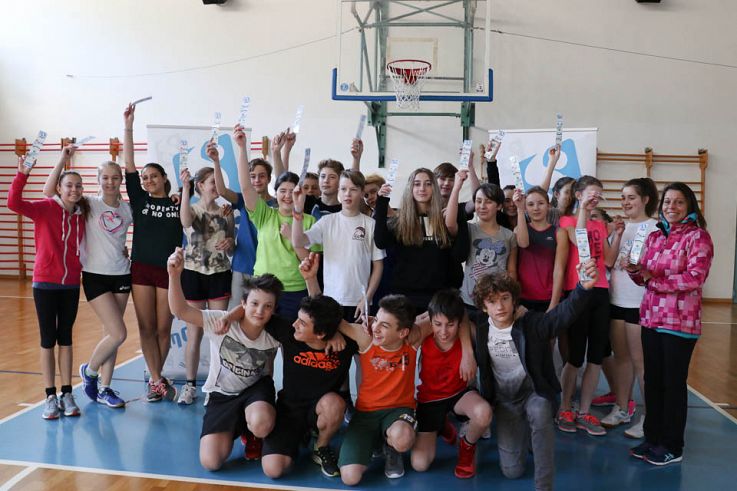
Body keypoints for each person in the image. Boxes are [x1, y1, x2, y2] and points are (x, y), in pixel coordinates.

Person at [471, 260, 600, 491]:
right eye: (492, 301)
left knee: (539, 411)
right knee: (512, 471)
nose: (500, 306)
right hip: (506, 401)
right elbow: (450, 316)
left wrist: (582, 288)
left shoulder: (531, 323)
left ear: (514, 300)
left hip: (534, 393)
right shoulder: (479, 328)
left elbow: (560, 316)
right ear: (484, 307)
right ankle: (526, 434)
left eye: (505, 298)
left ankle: (544, 485)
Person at [167, 247, 281, 470]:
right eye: (255, 304)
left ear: (274, 310)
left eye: (267, 306)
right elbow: (181, 311)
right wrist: (174, 275)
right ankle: (238, 425)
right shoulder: (220, 321)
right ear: (243, 303)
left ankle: (254, 431)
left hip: (255, 390)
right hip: (222, 395)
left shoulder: (275, 332)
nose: (260, 311)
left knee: (261, 423)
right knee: (211, 462)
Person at [627, 182, 713, 466]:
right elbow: (644, 276)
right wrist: (635, 271)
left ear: (689, 206)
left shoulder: (698, 237)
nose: (671, 207)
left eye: (678, 202)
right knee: (653, 382)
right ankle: (653, 438)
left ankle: (673, 446)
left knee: (673, 385)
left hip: (680, 323)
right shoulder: (655, 235)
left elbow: (695, 277)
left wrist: (653, 281)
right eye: (667, 202)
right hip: (651, 318)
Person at [43, 159, 132, 409]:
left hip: (122, 274)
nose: (110, 182)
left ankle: (105, 388)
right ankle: (90, 371)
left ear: (121, 180)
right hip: (95, 276)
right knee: (119, 332)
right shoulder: (88, 204)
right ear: (98, 179)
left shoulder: (128, 209)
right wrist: (62, 158)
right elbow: (49, 193)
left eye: (115, 178)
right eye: (105, 177)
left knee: (111, 335)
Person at [9, 144, 88, 419]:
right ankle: (50, 396)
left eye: (78, 186)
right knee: (47, 339)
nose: (74, 190)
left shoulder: (83, 215)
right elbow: (13, 203)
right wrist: (22, 174)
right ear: (59, 188)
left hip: (71, 284)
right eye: (69, 185)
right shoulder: (45, 208)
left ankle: (67, 392)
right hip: (45, 283)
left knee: (65, 338)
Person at [123, 103, 182, 402]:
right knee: (146, 328)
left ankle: (156, 377)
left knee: (163, 329)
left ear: (164, 178)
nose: (147, 180)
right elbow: (129, 164)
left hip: (167, 271)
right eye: (145, 177)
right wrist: (128, 126)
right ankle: (156, 380)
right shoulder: (139, 198)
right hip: (141, 269)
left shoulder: (177, 202)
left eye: (153, 176)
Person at [557, 175, 621, 436]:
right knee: (575, 356)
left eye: (598, 193)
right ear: (579, 195)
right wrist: (583, 209)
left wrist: (617, 235)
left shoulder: (600, 225)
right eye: (591, 193)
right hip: (578, 291)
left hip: (601, 293)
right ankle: (565, 408)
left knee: (596, 356)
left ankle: (584, 411)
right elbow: (580, 244)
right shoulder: (567, 221)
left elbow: (608, 260)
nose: (596, 198)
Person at [234, 124, 317, 321]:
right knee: (260, 338)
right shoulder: (265, 214)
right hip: (262, 288)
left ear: (300, 193)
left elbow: (310, 261)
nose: (288, 196)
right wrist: (242, 147)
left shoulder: (309, 221)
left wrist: (293, 238)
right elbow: (246, 187)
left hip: (294, 290)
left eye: (292, 191)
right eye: (282, 191)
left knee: (290, 337)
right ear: (275, 193)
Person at [597, 178, 659, 437]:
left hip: (640, 303)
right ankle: (622, 408)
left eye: (631, 197)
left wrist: (641, 267)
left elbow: (659, 267)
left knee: (641, 362)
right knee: (621, 358)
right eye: (623, 197)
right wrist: (615, 234)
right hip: (616, 300)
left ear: (645, 199)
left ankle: (651, 418)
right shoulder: (618, 227)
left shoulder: (656, 228)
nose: (625, 202)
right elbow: (609, 261)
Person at [411, 289, 492, 479]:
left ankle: (467, 446)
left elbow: (467, 317)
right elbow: (403, 332)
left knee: (483, 413)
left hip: (459, 395)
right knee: (419, 464)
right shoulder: (424, 331)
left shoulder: (467, 330)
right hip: (429, 400)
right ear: (430, 321)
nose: (444, 332)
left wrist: (469, 353)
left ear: (458, 322)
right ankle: (442, 425)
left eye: (450, 325)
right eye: (438, 324)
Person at [177, 158, 235, 405]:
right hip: (194, 275)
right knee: (194, 334)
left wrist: (230, 242)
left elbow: (231, 245)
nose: (216, 187)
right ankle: (190, 385)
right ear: (200, 185)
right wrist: (185, 188)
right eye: (212, 182)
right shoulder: (192, 210)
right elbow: (184, 222)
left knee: (218, 333)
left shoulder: (226, 212)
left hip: (219, 275)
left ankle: (216, 385)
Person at [292, 170, 385, 321]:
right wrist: (297, 211)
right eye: (343, 189)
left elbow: (378, 265)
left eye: (353, 189)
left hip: (359, 302)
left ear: (362, 193)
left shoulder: (370, 224)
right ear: (338, 192)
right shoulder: (327, 222)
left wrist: (367, 298)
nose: (348, 194)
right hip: (331, 300)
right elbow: (298, 241)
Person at [374, 167, 469, 312]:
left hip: (440, 299)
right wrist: (381, 201)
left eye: (428, 184)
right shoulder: (400, 221)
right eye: (417, 184)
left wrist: (459, 220)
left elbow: (460, 255)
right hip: (404, 298)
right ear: (410, 188)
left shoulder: (445, 218)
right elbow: (381, 242)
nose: (422, 188)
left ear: (434, 188)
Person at [450, 178, 517, 309]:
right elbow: (450, 224)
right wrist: (457, 187)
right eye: (478, 201)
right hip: (469, 300)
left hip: (497, 302)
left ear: (499, 206)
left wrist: (512, 299)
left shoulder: (509, 235)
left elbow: (511, 271)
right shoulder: (468, 229)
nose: (482, 206)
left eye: (488, 202)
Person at [209, 136, 259, 310]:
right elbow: (222, 190)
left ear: (269, 179)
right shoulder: (244, 200)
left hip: (265, 268)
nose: (257, 180)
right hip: (241, 265)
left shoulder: (276, 204)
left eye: (262, 176)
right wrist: (216, 161)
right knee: (234, 313)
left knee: (259, 315)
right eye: (252, 176)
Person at [512, 186, 568, 313]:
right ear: (526, 207)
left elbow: (559, 270)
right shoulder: (518, 230)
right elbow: (523, 243)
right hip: (524, 298)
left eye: (541, 203)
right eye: (530, 204)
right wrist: (520, 209)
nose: (536, 208)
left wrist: (553, 304)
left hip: (550, 297)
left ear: (548, 206)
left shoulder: (559, 233)